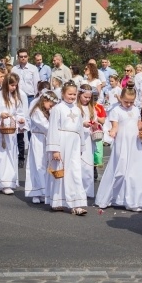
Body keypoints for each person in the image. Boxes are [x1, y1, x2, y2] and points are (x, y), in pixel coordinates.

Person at [95, 85, 142, 211]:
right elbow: (115, 126)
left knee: (134, 172)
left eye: (131, 102)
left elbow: (136, 124)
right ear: (121, 98)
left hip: (134, 143)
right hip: (122, 142)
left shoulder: (135, 109)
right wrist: (112, 132)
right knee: (120, 171)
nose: (129, 104)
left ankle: (132, 201)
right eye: (126, 101)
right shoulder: (116, 110)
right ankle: (108, 197)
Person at [46, 81, 88, 215]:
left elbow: (80, 128)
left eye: (74, 94)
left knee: (74, 171)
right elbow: (52, 129)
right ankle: (58, 201)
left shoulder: (77, 109)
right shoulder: (57, 109)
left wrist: (81, 145)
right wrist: (55, 149)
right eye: (69, 94)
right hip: (62, 142)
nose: (72, 96)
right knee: (61, 171)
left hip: (74, 143)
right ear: (63, 94)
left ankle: (76, 203)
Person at [0, 73, 26, 195]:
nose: (14, 87)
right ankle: (3, 183)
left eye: (15, 85)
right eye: (12, 85)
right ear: (6, 84)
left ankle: (9, 181)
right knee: (1, 156)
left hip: (11, 130)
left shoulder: (16, 98)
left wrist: (20, 120)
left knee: (11, 155)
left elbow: (19, 112)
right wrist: (0, 115)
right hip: (0, 131)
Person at [26, 91, 57, 204]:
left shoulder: (47, 112)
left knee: (46, 165)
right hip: (38, 139)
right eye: (50, 105)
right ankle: (37, 192)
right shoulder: (36, 112)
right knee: (38, 164)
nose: (51, 108)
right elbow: (46, 127)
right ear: (44, 101)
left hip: (46, 139)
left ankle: (45, 191)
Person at [11, 48, 39, 168]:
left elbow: (36, 84)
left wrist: (36, 101)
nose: (23, 58)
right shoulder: (14, 69)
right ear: (18, 57)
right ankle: (20, 155)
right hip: (18, 98)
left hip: (30, 98)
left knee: (31, 126)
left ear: (28, 57)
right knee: (20, 126)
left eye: (25, 56)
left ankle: (33, 153)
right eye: (21, 56)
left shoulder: (33, 68)